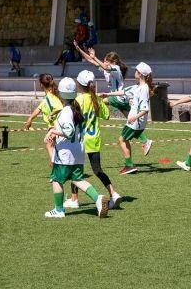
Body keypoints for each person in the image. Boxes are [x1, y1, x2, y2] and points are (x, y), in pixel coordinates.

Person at [43, 77, 109, 218]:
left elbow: (69, 131)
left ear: (61, 93)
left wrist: (53, 131)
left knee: (57, 180)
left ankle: (59, 210)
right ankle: (98, 199)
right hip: (78, 150)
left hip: (65, 152)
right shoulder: (75, 107)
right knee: (78, 179)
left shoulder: (66, 110)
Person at [74, 42, 153, 155]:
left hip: (118, 98)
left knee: (96, 100)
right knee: (132, 122)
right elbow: (91, 61)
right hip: (120, 98)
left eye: (107, 60)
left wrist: (95, 57)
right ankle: (145, 141)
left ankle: (90, 117)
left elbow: (103, 65)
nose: (104, 62)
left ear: (114, 62)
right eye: (104, 60)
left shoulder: (116, 69)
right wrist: (79, 49)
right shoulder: (106, 69)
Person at [64, 70, 122, 210]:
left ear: (79, 84)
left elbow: (71, 118)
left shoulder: (78, 100)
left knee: (75, 170)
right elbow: (106, 115)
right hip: (94, 139)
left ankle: (74, 199)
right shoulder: (95, 98)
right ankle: (113, 193)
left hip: (80, 140)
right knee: (97, 170)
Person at [101, 62, 153, 175]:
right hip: (136, 122)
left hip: (135, 121)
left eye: (136, 71)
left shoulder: (143, 89)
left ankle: (129, 165)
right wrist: (107, 94)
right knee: (126, 139)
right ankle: (132, 161)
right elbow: (123, 92)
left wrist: (135, 117)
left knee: (122, 140)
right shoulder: (137, 87)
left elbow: (145, 109)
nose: (134, 73)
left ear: (140, 74)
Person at [25, 73, 63, 166]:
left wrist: (51, 114)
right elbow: (39, 108)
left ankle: (56, 165)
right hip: (54, 127)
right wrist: (30, 119)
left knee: (49, 145)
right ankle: (56, 163)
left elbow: (59, 107)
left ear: (41, 85)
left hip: (56, 127)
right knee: (52, 146)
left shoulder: (50, 97)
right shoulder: (48, 96)